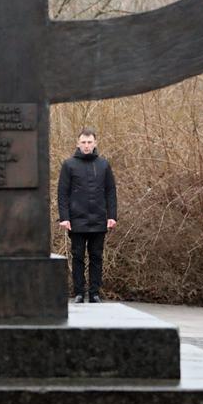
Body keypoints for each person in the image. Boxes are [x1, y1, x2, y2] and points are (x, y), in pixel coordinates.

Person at [58, 126, 118, 304]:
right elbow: (62, 193)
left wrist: (112, 216)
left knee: (96, 257)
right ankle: (78, 292)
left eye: (89, 142)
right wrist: (64, 217)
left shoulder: (103, 165)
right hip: (76, 220)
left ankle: (94, 293)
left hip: (99, 219)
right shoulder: (69, 165)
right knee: (77, 257)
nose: (86, 145)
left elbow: (111, 192)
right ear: (78, 143)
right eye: (83, 142)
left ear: (95, 143)